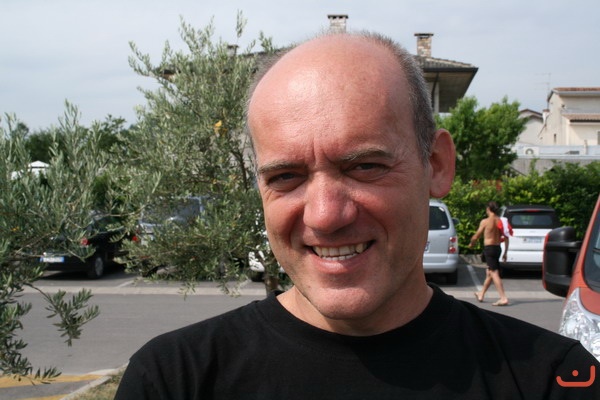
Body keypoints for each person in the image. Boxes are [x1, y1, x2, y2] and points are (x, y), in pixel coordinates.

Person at [115, 32, 599, 399]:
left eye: (365, 166)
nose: (326, 216)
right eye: (286, 176)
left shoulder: (554, 380)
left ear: (436, 165)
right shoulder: (172, 381)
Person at [469, 201, 510, 306]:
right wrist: (505, 252)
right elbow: (506, 237)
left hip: (489, 248)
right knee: (489, 273)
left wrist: (471, 243)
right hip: (497, 248)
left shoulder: (486, 221)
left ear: (488, 209)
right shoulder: (500, 221)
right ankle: (481, 294)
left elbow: (477, 235)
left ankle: (503, 298)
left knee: (494, 272)